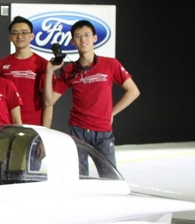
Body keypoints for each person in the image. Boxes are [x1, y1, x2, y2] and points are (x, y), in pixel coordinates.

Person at [43, 20, 140, 167]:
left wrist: (111, 113)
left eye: (87, 35)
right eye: (78, 36)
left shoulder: (110, 64)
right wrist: (50, 71)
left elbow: (133, 91)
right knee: (80, 178)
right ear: (72, 41)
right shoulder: (69, 71)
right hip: (77, 130)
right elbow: (49, 101)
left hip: (103, 131)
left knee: (109, 177)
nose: (83, 40)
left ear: (95, 38)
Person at [0, 16, 52, 126]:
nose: (20, 36)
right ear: (10, 37)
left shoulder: (43, 64)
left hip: (34, 125)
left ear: (32, 36)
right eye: (15, 33)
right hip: (7, 124)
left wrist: (46, 131)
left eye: (24, 32)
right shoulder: (1, 64)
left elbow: (48, 103)